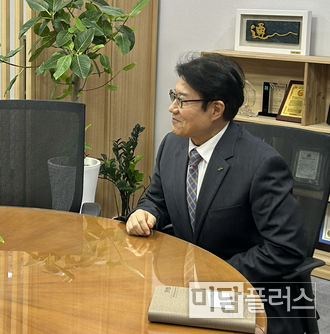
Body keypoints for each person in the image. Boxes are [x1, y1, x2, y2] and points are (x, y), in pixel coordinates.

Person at [126, 53, 307, 334]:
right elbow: (157, 199)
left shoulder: (262, 164)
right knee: (129, 311)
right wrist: (145, 212)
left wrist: (215, 273)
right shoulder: (173, 145)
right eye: (174, 96)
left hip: (244, 290)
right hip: (186, 283)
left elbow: (285, 249)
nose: (172, 108)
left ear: (216, 109)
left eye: (182, 101)